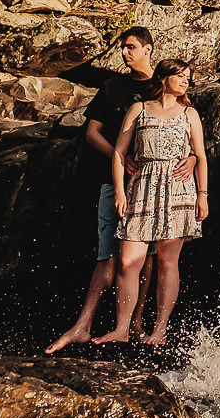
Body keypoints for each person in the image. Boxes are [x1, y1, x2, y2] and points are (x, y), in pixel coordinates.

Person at [45, 28, 197, 353]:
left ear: (148, 49)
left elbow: (188, 136)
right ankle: (84, 325)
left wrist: (195, 157)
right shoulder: (113, 88)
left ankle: (134, 324)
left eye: (130, 47)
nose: (124, 53)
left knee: (151, 257)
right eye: (122, 48)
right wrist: (121, 154)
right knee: (110, 254)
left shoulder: (165, 89)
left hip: (161, 189)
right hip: (114, 183)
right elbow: (92, 133)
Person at [95, 58, 209, 346]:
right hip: (142, 186)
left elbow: (201, 155)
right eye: (180, 75)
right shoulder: (139, 109)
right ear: (162, 78)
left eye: (188, 77)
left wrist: (203, 195)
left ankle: (159, 330)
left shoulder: (190, 113)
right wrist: (120, 192)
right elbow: (120, 153)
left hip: (179, 189)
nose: (185, 81)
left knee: (168, 262)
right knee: (127, 261)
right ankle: (122, 329)